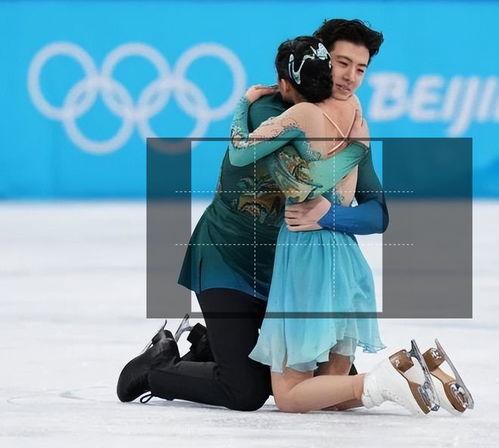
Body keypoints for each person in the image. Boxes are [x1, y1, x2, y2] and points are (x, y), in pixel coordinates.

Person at [117, 19, 389, 412]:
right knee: (247, 392)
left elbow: (378, 215)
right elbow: (298, 180)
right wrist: (353, 151)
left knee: (328, 385)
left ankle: (211, 346)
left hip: (289, 277)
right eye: (341, 63)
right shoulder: (270, 112)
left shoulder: (347, 123)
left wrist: (329, 216)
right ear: (316, 59)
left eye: (360, 68)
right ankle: (155, 370)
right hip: (229, 262)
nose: (349, 77)